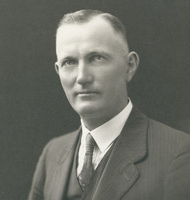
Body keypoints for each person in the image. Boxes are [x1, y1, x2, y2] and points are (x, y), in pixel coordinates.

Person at [28, 9, 190, 200]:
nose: (82, 77)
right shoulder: (52, 154)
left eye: (96, 58)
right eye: (69, 62)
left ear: (129, 66)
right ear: (58, 71)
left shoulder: (177, 154)